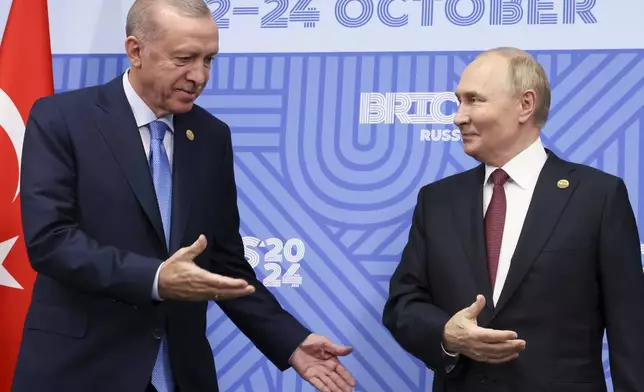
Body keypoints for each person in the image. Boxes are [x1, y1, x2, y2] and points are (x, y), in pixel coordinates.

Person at [11, 1, 357, 392]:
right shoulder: (62, 118)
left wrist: (290, 341)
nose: (200, 76)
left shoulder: (212, 136)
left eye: (209, 59)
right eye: (185, 58)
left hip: (182, 375)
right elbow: (51, 242)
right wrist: (157, 279)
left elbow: (224, 262)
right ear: (136, 50)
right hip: (80, 372)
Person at [382, 47, 644, 392]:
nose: (459, 116)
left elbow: (632, 330)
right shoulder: (437, 201)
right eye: (459, 101)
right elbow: (403, 304)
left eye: (474, 100)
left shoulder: (598, 196)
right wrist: (446, 332)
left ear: (525, 104)